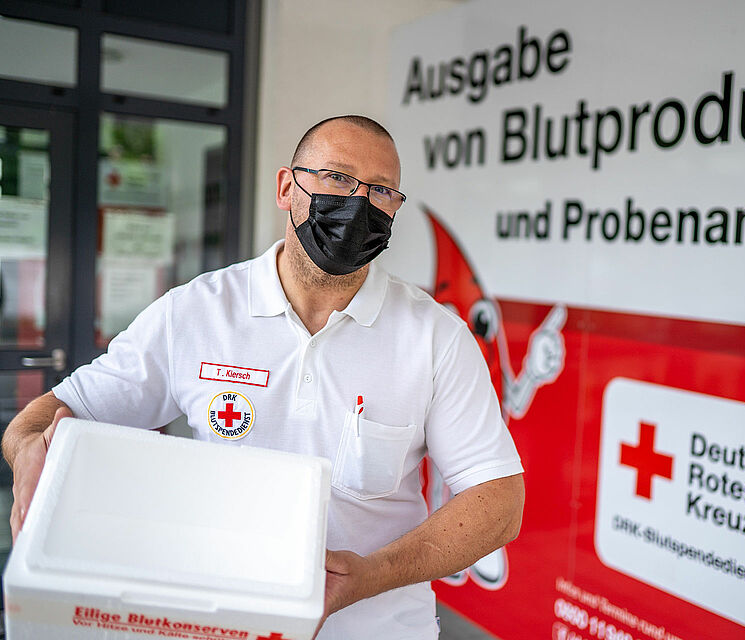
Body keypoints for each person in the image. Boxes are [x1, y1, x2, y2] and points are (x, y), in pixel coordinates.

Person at [1, 115, 525, 639]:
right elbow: (60, 413)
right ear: (286, 188)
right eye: (337, 178)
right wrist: (27, 452)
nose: (358, 203)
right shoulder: (197, 313)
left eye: (381, 190)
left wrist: (370, 575)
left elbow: (499, 501)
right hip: (221, 623)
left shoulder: (435, 337)